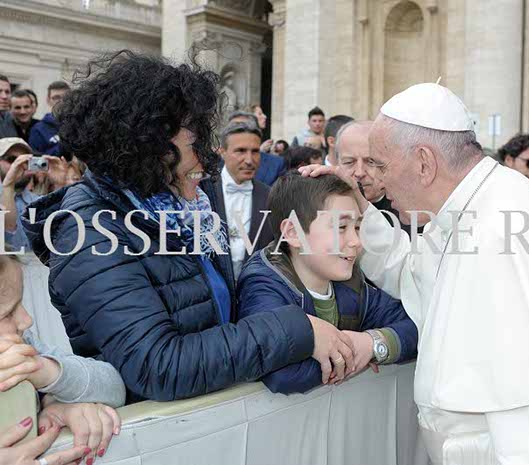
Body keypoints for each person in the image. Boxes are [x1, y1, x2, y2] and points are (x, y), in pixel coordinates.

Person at [301, 83, 529, 465]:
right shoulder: (467, 207)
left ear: (424, 163)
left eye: (381, 166)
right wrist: (359, 207)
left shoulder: (504, 223)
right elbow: (413, 272)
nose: (376, 181)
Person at [21, 50, 356, 403]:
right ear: (147, 146)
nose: (208, 159)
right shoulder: (87, 233)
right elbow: (158, 366)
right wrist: (295, 330)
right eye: (195, 143)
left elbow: (219, 319)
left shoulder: (186, 210)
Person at [236, 172, 417, 394]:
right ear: (293, 232)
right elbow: (280, 372)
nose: (356, 241)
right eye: (341, 227)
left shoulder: (351, 284)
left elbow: (417, 322)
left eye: (357, 227)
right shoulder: (263, 285)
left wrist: (372, 343)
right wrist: (353, 353)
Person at [0, 250, 124, 465]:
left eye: (21, 302)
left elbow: (114, 387)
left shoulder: (24, 345)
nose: (27, 320)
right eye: (7, 313)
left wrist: (48, 379)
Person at [334, 120, 419, 234]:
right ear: (337, 163)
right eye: (349, 162)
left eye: (370, 162)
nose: (359, 173)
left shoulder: (412, 214)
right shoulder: (323, 207)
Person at [213, 122, 274, 278]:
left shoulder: (271, 196)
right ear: (222, 152)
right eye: (240, 151)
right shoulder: (202, 192)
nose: (249, 160)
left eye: (255, 151)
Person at [0, 138, 67, 251]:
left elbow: (63, 231)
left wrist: (61, 185)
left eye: (25, 161)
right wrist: (9, 184)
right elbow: (7, 229)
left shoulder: (37, 201)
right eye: (12, 159)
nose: (18, 165)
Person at [229, 111, 286, 186]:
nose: (248, 161)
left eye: (246, 128)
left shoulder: (276, 164)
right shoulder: (217, 166)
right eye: (235, 130)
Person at [29, 81, 70, 156]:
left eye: (66, 97)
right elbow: (36, 159)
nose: (61, 101)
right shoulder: (38, 130)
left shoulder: (80, 124)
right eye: (56, 98)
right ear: (48, 100)